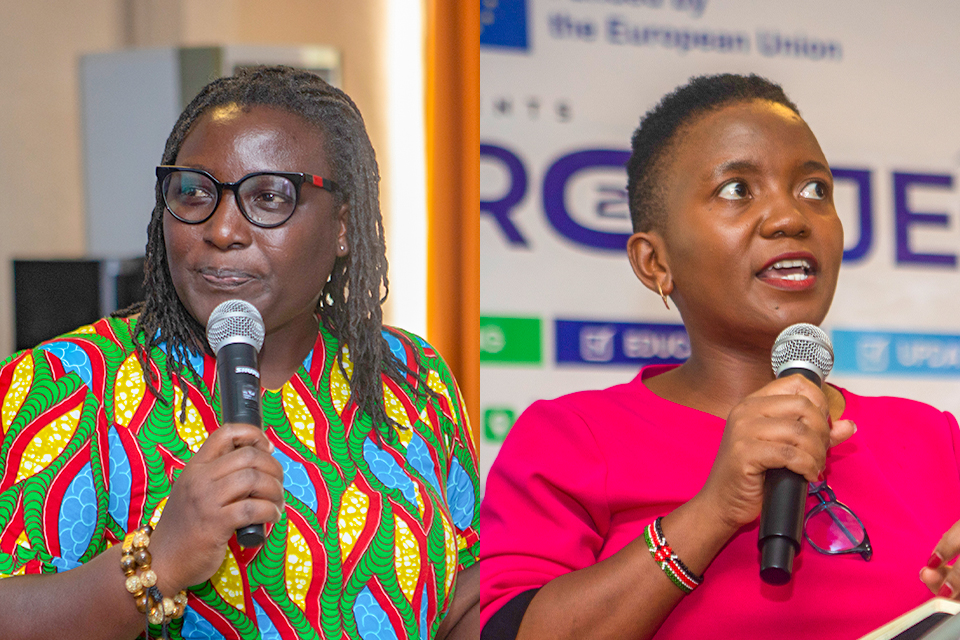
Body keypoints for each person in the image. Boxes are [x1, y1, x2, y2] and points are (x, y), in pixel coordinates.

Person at [0, 66, 479, 640]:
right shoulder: (68, 383)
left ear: (345, 226)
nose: (223, 228)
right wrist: (160, 561)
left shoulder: (409, 374)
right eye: (195, 191)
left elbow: (460, 597)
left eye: (269, 197)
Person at [479, 73, 960, 640]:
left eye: (815, 189)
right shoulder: (572, 438)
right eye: (737, 190)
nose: (790, 217)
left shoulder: (933, 438)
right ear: (655, 263)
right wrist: (713, 511)